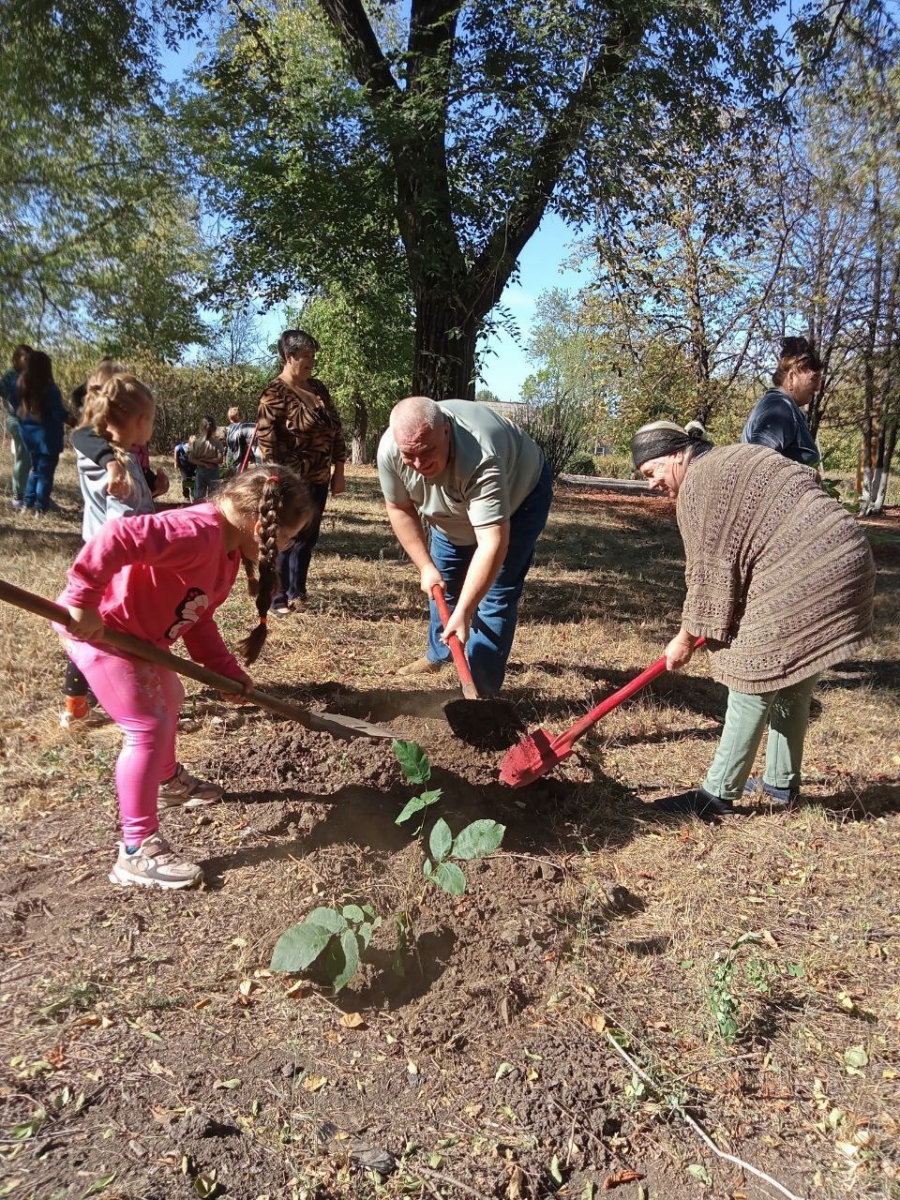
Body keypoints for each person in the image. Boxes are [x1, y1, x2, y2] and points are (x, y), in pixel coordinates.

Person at [57, 465, 314, 889]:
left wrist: (226, 674)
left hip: (140, 638)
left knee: (170, 696)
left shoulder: (229, 551)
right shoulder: (195, 532)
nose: (283, 547)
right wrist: (84, 600)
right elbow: (116, 537)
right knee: (147, 725)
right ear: (259, 524)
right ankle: (136, 850)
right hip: (101, 630)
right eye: (286, 537)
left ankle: (166, 780)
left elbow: (196, 620)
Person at [631, 420, 875, 819]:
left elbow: (710, 574)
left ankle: (715, 796)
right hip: (847, 557)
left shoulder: (698, 485)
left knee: (750, 673)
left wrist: (683, 637)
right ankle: (781, 783)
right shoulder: (729, 458)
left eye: (651, 472)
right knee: (792, 679)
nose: (651, 484)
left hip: (807, 566)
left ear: (677, 454)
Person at [377, 396, 553, 696]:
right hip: (449, 512)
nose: (419, 464)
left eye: (427, 451)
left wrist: (466, 611)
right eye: (410, 455)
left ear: (446, 431)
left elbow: (492, 541)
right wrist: (425, 567)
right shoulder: (392, 449)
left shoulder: (480, 455)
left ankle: (480, 692)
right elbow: (399, 507)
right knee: (440, 580)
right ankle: (438, 653)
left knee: (496, 593)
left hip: (519, 498)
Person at [63, 370, 159, 730]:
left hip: (124, 557)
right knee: (91, 627)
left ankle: (114, 688)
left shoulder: (127, 457)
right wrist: (113, 463)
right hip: (109, 559)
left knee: (110, 625)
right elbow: (82, 435)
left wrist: (152, 485)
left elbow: (131, 503)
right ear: (141, 420)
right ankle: (77, 700)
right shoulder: (101, 452)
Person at [256, 329, 346, 614]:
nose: (311, 362)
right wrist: (275, 479)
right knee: (285, 536)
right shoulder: (274, 394)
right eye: (305, 356)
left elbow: (336, 431)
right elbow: (266, 443)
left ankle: (298, 591)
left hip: (319, 478)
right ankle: (276, 596)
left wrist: (339, 469)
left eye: (313, 357)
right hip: (290, 480)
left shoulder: (318, 388)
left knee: (308, 538)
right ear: (288, 356)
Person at [741, 336, 822, 465]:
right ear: (792, 377)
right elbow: (757, 462)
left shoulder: (781, 406)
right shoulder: (780, 408)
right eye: (814, 379)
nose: (818, 388)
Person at [17, 350, 68, 513]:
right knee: (45, 473)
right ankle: (40, 507)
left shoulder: (21, 386)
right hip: (48, 438)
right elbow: (58, 414)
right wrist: (76, 420)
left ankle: (27, 503)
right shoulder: (50, 389)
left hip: (28, 435)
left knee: (36, 469)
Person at [1, 343, 33, 507]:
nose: (28, 362)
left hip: (33, 421)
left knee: (34, 458)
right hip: (16, 420)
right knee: (23, 456)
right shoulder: (9, 376)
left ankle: (33, 493)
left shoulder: (34, 376)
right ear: (16, 359)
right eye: (25, 358)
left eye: (30, 359)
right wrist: (11, 406)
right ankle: (18, 496)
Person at [188, 416, 224, 500]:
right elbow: (220, 459)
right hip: (214, 472)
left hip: (200, 472)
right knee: (214, 497)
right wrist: (208, 462)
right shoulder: (217, 443)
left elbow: (190, 458)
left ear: (201, 428)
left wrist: (203, 462)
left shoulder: (196, 443)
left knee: (199, 497)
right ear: (214, 428)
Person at [224, 406, 259, 473]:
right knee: (240, 474)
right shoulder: (243, 427)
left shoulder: (228, 429)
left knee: (233, 473)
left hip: (231, 456)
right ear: (241, 416)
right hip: (240, 456)